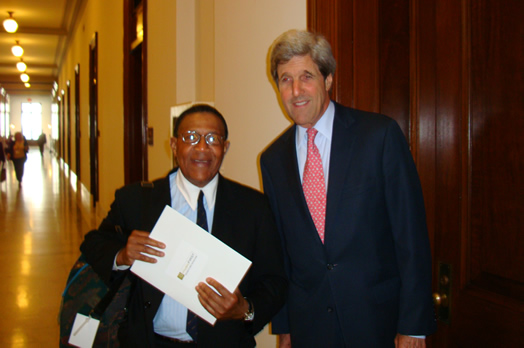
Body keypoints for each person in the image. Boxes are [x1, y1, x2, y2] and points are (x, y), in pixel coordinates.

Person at [260, 29, 436, 347]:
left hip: (378, 323)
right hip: (310, 328)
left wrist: (414, 326)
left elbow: (411, 237)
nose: (296, 90)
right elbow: (283, 253)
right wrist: (284, 325)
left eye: (306, 76)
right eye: (286, 79)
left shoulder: (378, 136)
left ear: (328, 79)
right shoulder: (272, 160)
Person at [81, 104, 287, 347]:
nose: (202, 148)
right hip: (149, 341)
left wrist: (245, 310)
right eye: (190, 137)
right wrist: (122, 254)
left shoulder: (254, 207)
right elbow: (93, 244)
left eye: (213, 138)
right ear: (174, 145)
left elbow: (275, 282)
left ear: (225, 148)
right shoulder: (137, 200)